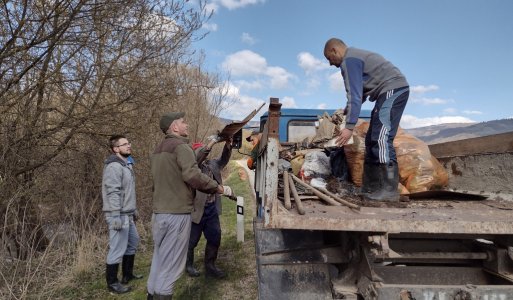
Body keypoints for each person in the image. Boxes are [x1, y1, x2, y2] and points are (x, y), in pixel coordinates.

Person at [147, 112, 234, 300]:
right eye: (182, 122)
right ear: (174, 127)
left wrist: (213, 144)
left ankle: (151, 295)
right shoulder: (181, 146)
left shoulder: (158, 150)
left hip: (159, 213)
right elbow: (192, 175)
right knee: (171, 266)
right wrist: (218, 188)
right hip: (176, 214)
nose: (186, 125)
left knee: (159, 260)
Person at [324, 38, 409, 201]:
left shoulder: (349, 60)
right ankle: (371, 188)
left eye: (329, 58)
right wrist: (348, 110)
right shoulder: (354, 57)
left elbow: (354, 96)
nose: (330, 64)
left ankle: (389, 189)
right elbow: (360, 94)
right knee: (371, 139)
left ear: (335, 50)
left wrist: (349, 127)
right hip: (388, 90)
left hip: (393, 88)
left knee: (381, 138)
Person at [186, 138, 234, 279]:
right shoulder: (192, 167)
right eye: (201, 152)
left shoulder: (213, 164)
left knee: (215, 237)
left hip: (211, 209)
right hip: (196, 209)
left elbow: (223, 160)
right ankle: (188, 265)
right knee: (191, 240)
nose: (206, 156)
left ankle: (210, 266)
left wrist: (228, 145)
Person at [101, 135, 142, 294]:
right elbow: (113, 192)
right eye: (124, 144)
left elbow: (128, 192)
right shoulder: (114, 167)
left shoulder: (127, 164)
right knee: (117, 248)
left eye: (128, 143)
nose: (128, 146)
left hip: (127, 213)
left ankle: (127, 275)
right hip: (117, 215)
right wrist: (115, 215)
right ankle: (112, 284)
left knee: (133, 241)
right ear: (115, 149)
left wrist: (134, 209)